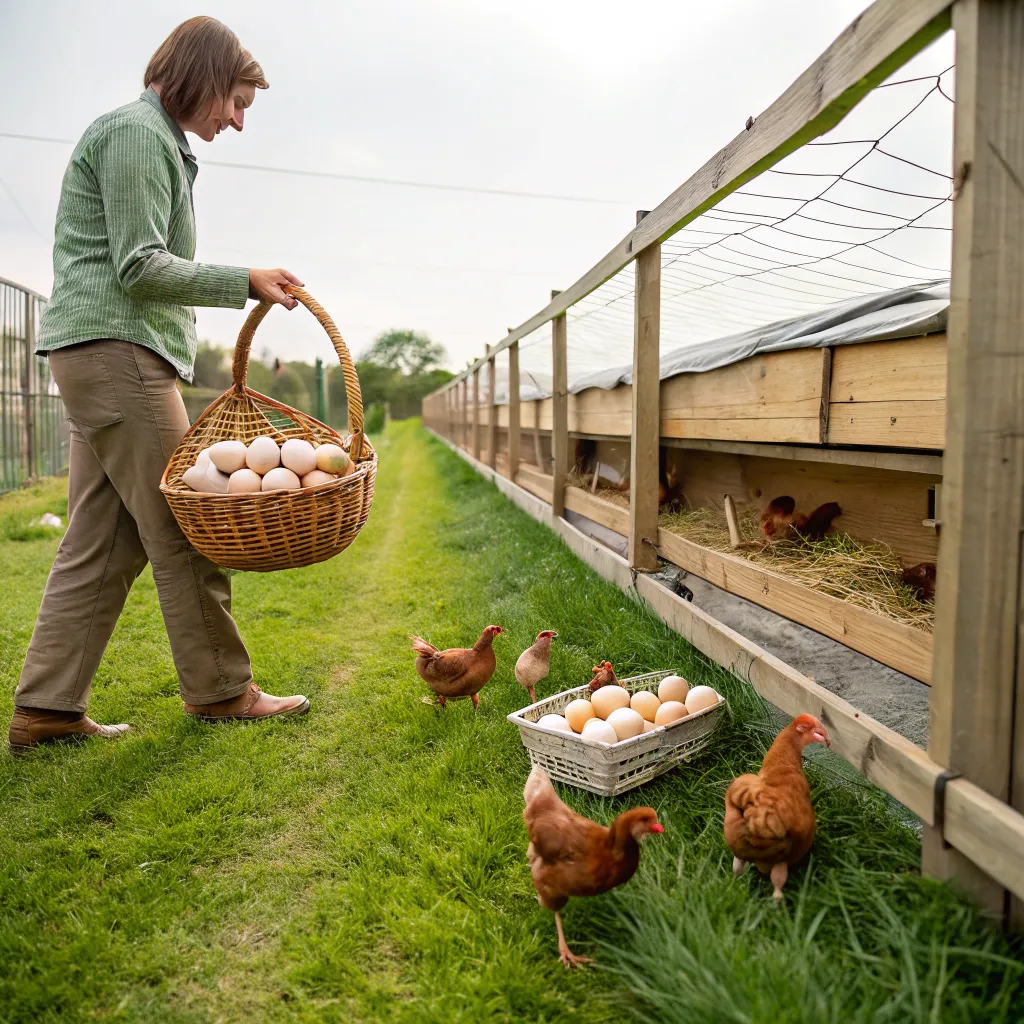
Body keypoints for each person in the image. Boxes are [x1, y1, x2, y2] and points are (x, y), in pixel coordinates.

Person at [9, 17, 311, 752]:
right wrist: (243, 280)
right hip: (119, 353)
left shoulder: (149, 140)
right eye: (236, 101)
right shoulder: (138, 135)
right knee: (188, 519)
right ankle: (221, 690)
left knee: (103, 539)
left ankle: (46, 709)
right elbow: (140, 265)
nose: (237, 122)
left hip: (102, 355)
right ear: (203, 77)